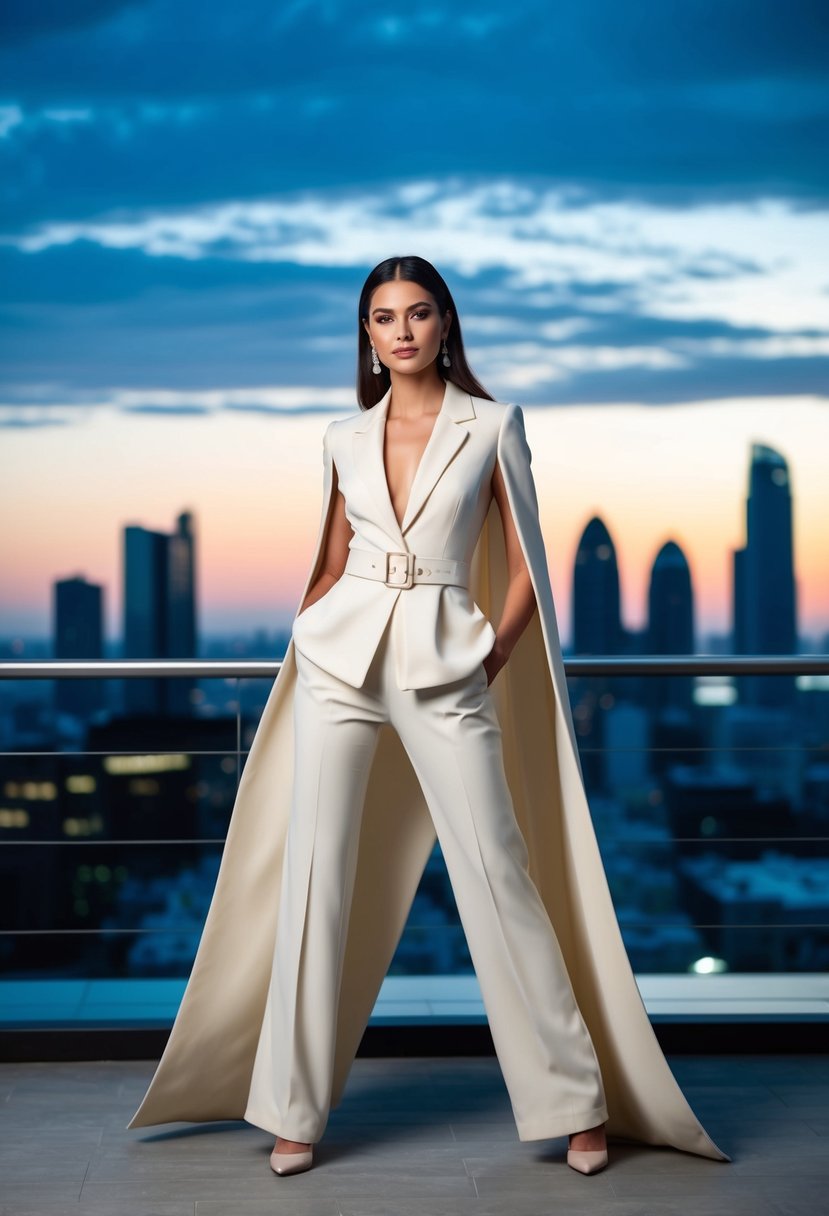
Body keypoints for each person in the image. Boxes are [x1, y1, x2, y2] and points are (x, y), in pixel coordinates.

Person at [127, 256, 731, 1179]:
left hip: (448, 663)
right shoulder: (341, 435)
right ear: (365, 335)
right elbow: (328, 558)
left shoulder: (493, 425)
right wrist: (308, 633)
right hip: (340, 661)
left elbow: (528, 561)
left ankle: (574, 1100)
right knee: (315, 878)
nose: (401, 331)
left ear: (445, 324)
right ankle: (293, 1109)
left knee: (496, 871)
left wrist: (490, 659)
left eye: (417, 313)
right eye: (382, 317)